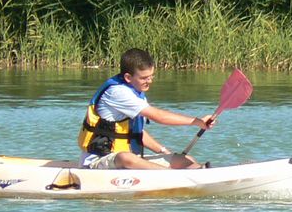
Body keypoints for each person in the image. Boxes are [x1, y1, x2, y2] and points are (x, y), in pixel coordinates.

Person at [78, 49, 215, 170]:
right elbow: (159, 116)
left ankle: (200, 174)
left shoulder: (136, 91)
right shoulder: (117, 92)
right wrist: (197, 121)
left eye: (151, 76)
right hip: (98, 161)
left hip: (131, 158)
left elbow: (137, 133)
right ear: (128, 77)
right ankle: (173, 177)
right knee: (126, 158)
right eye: (144, 78)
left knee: (185, 160)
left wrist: (163, 151)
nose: (149, 81)